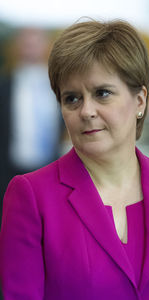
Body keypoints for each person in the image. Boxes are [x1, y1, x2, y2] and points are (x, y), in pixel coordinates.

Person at [0, 19, 149, 300]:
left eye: (102, 93)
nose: (86, 111)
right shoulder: (31, 196)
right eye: (72, 99)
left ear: (140, 101)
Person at [0, 28, 62, 215]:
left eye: (36, 42)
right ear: (16, 47)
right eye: (26, 43)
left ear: (45, 46)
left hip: (50, 171)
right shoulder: (5, 85)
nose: (31, 48)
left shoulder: (58, 85)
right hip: (9, 172)